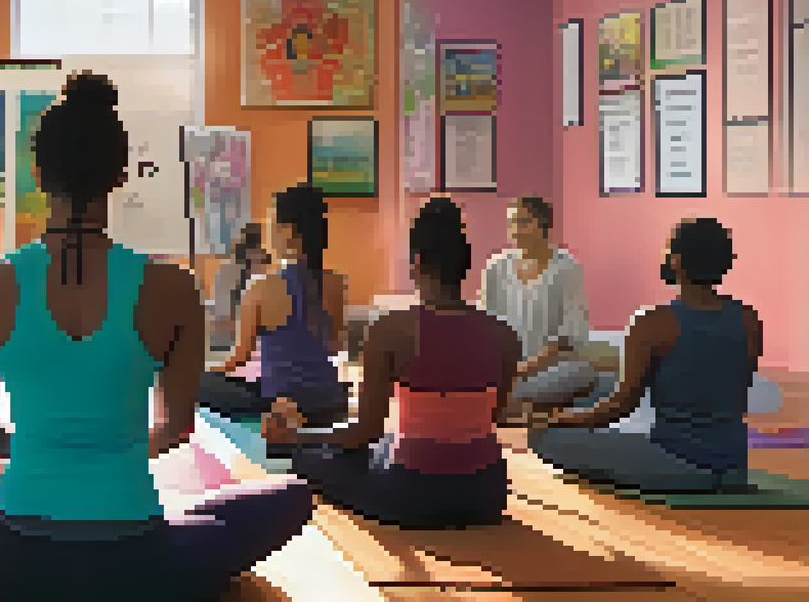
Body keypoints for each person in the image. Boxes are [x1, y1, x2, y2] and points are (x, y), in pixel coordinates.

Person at [0, 72, 313, 602]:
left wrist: (41, 452)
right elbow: (176, 428)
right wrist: (108, 454)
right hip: (141, 561)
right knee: (292, 494)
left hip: (6, 560)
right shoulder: (173, 287)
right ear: (120, 173)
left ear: (36, 171)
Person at [264, 197, 521, 529]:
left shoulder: (390, 330)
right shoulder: (504, 335)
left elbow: (365, 430)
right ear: (464, 265)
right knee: (386, 442)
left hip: (411, 494)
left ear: (416, 262)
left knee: (308, 458)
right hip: (486, 494)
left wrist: (299, 437)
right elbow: (495, 416)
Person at [528, 218, 760, 493]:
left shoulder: (652, 322)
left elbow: (619, 407)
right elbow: (738, 393)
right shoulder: (747, 318)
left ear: (676, 261)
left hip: (678, 465)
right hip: (735, 466)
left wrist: (557, 419)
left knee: (542, 436)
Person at [200, 185, 349, 427]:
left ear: (288, 231)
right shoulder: (335, 282)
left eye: (271, 225)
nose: (267, 234)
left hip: (280, 401)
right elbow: (335, 345)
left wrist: (210, 370)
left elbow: (239, 358)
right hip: (328, 399)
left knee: (198, 383)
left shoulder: (259, 286)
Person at [481, 197, 604, 420]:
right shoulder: (495, 267)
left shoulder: (566, 268)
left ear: (543, 225)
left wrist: (520, 371)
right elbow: (486, 328)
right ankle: (525, 411)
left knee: (582, 374)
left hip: (547, 368)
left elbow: (569, 337)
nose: (515, 231)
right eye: (512, 224)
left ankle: (508, 408)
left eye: (523, 222)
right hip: (504, 369)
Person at [207, 223, 270, 352]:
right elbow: (225, 313)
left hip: (237, 341)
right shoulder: (231, 272)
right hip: (229, 341)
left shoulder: (230, 270)